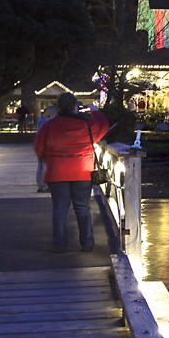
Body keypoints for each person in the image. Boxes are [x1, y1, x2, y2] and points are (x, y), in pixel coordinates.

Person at [33, 93, 109, 253]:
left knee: (60, 209)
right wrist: (95, 111)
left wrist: (50, 159)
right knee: (83, 207)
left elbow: (39, 148)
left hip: (56, 172)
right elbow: (104, 124)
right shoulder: (87, 124)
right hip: (82, 171)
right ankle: (87, 242)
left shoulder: (49, 126)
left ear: (58, 107)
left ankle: (59, 244)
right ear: (75, 106)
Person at [34, 105, 58, 193]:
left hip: (38, 143)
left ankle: (40, 185)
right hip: (47, 145)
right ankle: (45, 185)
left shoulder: (40, 120)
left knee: (40, 166)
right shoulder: (49, 123)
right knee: (45, 166)